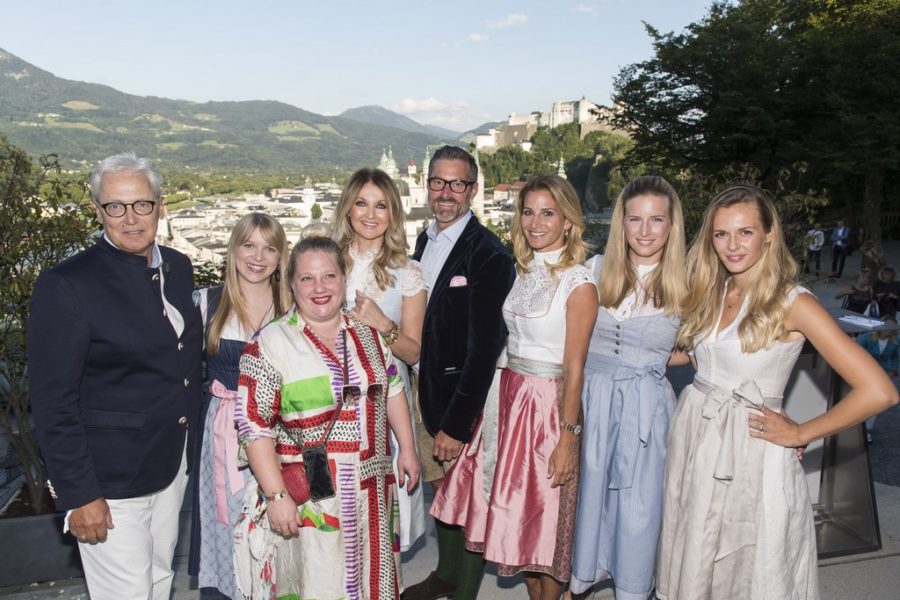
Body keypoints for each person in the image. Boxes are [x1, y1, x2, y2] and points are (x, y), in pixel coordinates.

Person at [656, 185, 897, 599]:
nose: (732, 245)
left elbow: (879, 390)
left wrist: (802, 432)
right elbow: (702, 359)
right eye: (721, 234)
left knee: (749, 563)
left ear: (769, 235)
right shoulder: (712, 290)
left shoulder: (793, 302)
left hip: (752, 448)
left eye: (745, 232)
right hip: (697, 435)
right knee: (696, 552)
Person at [27, 152, 203, 599]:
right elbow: (52, 401)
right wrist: (78, 493)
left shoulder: (178, 267)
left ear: (161, 206)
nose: (130, 218)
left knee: (159, 579)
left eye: (141, 204)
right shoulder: (67, 284)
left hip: (171, 463)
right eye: (115, 206)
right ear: (97, 211)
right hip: (109, 481)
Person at [430, 175, 597, 600]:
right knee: (519, 523)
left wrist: (567, 437)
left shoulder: (579, 283)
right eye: (528, 212)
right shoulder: (524, 271)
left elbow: (575, 368)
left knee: (548, 521)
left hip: (548, 408)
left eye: (548, 213)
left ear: (568, 221)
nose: (535, 223)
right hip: (509, 402)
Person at [233, 234, 419, 600]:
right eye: (307, 278)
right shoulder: (269, 344)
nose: (320, 288)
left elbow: (393, 388)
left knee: (374, 583)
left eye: (329, 276)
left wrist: (408, 448)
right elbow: (254, 427)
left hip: (373, 489)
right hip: (309, 499)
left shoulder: (369, 334)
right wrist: (276, 496)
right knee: (318, 583)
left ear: (343, 279)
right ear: (291, 283)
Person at [403, 145, 516, 600]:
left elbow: (486, 347)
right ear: (427, 184)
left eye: (457, 183)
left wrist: (458, 422)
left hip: (460, 398)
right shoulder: (424, 240)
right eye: (438, 182)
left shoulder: (489, 254)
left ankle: (464, 590)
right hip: (420, 387)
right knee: (439, 486)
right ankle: (446, 573)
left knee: (468, 497)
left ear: (473, 189)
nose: (446, 192)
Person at [570, 176, 687, 600]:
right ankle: (583, 576)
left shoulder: (689, 282)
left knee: (640, 507)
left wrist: (651, 361)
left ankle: (634, 589)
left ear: (672, 225)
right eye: (635, 219)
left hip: (645, 408)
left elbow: (702, 351)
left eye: (656, 220)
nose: (644, 231)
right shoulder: (593, 269)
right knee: (588, 499)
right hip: (592, 401)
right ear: (621, 222)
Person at [189, 213, 290, 599]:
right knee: (227, 524)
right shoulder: (206, 303)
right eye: (249, 245)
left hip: (280, 432)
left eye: (269, 248)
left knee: (278, 526)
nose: (258, 257)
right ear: (233, 250)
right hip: (223, 433)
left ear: (281, 257)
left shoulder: (293, 305)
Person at [334, 168, 428, 551]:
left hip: (388, 402)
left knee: (384, 521)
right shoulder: (326, 263)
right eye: (362, 203)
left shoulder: (407, 272)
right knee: (337, 518)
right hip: (333, 399)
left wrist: (383, 324)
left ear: (393, 213)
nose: (370, 215)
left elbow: (414, 352)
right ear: (348, 208)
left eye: (381, 205)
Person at [858, 316, 899, 442]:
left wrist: (894, 370)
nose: (889, 329)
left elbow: (896, 357)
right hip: (867, 372)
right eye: (887, 325)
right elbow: (858, 352)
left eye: (892, 327)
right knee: (864, 399)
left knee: (878, 401)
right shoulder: (867, 337)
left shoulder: (895, 341)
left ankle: (867, 430)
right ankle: (859, 425)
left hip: (884, 374)